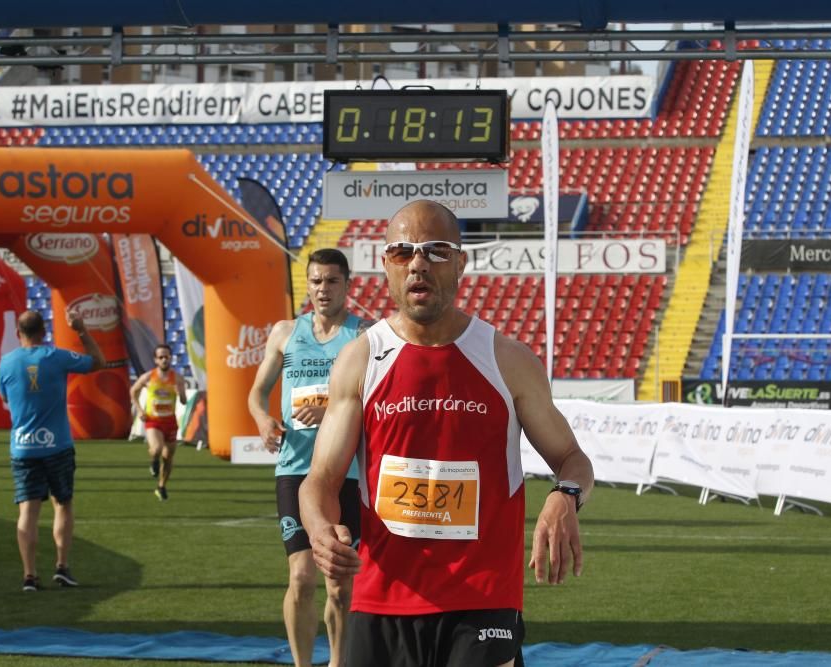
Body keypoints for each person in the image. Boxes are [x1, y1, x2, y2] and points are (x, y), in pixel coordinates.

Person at [299, 200, 595, 667]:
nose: (418, 263)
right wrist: (319, 530)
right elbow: (320, 480)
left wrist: (565, 496)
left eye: (435, 251)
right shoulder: (360, 359)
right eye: (402, 252)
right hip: (382, 601)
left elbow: (572, 459)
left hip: (482, 599)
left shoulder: (508, 360)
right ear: (386, 266)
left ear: (461, 262)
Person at [248, 248, 371, 667]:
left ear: (347, 285)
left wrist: (334, 409)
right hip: (295, 469)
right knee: (301, 576)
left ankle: (338, 662)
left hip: (346, 472)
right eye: (316, 281)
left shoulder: (363, 336)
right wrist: (263, 419)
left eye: (331, 281)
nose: (323, 289)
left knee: (338, 582)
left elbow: (379, 402)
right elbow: (256, 392)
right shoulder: (285, 332)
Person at [0, 309, 105, 592]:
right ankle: (62, 566)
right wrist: (81, 330)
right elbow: (98, 362)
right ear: (44, 332)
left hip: (23, 447)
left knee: (28, 512)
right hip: (57, 444)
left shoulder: (6, 363)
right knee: (62, 503)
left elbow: (4, 397)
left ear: (18, 334)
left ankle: (29, 576)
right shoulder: (56, 356)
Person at [130, 344, 188, 501]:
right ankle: (153, 461)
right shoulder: (148, 377)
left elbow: (183, 401)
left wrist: (180, 393)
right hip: (153, 420)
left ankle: (161, 486)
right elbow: (133, 391)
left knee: (168, 457)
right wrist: (140, 410)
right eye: (161, 357)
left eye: (166, 356)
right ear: (156, 360)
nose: (164, 360)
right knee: (156, 449)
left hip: (170, 421)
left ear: (171, 358)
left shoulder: (177, 378)